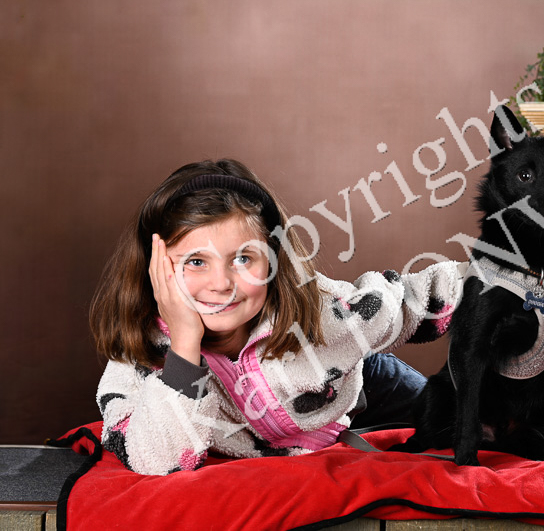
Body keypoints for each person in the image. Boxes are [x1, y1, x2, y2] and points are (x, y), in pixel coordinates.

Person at [90, 159, 463, 475]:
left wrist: (489, 281)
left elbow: (412, 299)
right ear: (155, 268)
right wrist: (184, 347)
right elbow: (158, 460)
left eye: (243, 259)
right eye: (196, 262)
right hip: (268, 442)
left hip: (361, 387)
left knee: (463, 422)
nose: (221, 284)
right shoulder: (136, 362)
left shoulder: (327, 311)